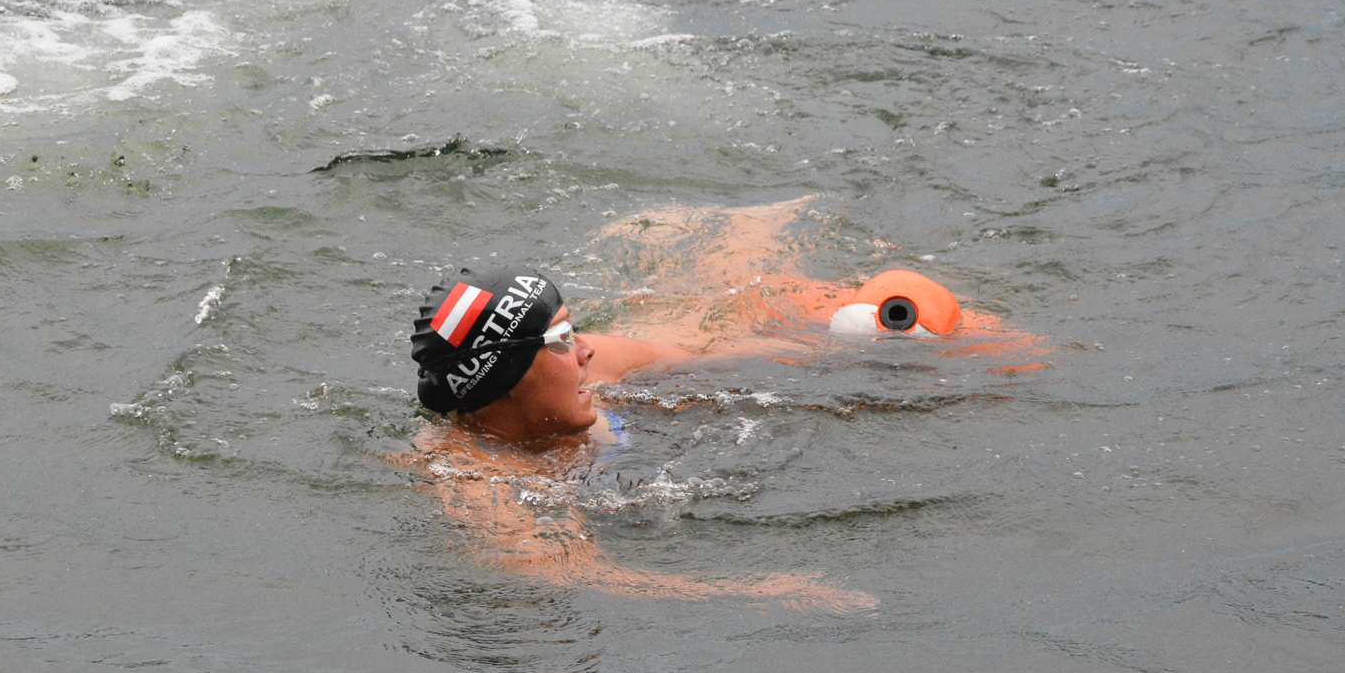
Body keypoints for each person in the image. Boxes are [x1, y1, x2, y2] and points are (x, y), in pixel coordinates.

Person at [403, 198, 1046, 608]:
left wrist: (871, 361)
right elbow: (566, 574)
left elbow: (722, 354)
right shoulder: (475, 479)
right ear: (504, 376)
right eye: (565, 338)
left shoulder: (598, 367)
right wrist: (766, 591)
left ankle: (752, 224)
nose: (587, 350)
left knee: (712, 309)